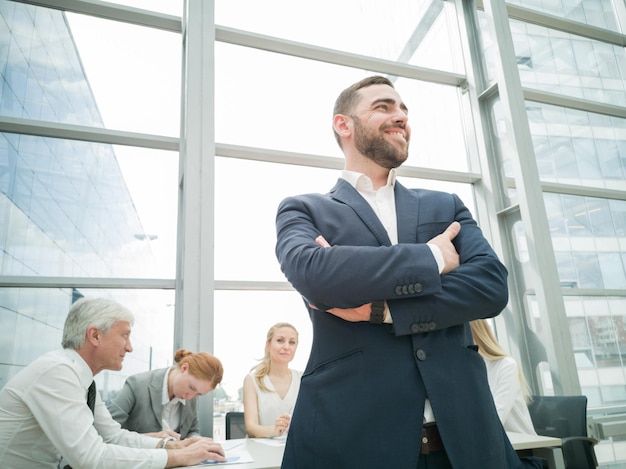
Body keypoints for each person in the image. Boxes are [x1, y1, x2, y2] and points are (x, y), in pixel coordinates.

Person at [274, 75, 543, 468]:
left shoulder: (446, 206)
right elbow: (314, 272)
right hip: (351, 442)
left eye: (403, 109)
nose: (400, 116)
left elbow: (489, 286)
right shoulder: (303, 209)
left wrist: (383, 310)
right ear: (343, 124)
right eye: (384, 106)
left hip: (467, 443)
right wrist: (433, 258)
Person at [0, 297, 225, 468]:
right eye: (124, 335)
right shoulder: (57, 372)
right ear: (95, 336)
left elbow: (112, 436)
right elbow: (91, 457)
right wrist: (178, 456)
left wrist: (171, 445)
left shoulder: (82, 380)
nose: (129, 347)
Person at [108, 349, 224, 440]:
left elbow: (192, 430)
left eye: (198, 394)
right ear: (184, 368)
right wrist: (154, 438)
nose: (190, 397)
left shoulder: (190, 396)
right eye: (192, 387)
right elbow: (105, 432)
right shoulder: (136, 384)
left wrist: (195, 440)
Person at [470, 319, 537, 435]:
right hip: (490, 444)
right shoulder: (465, 370)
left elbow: (495, 419)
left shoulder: (505, 365)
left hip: (522, 446)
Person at [242, 322, 302, 438]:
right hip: (261, 451)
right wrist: (274, 431)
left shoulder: (302, 379)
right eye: (280, 340)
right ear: (268, 345)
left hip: (293, 450)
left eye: (292, 342)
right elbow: (251, 427)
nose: (286, 346)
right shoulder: (252, 380)